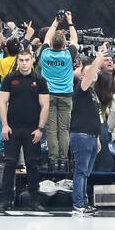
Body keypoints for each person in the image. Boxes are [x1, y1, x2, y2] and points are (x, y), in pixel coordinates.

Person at [0, 49, 50, 212]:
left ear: (32, 60)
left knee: (32, 165)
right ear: (17, 62)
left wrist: (40, 128)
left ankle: (34, 200)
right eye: (21, 60)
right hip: (12, 128)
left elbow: (45, 105)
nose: (24, 63)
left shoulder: (40, 80)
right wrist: (4, 125)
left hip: (33, 130)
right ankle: (6, 200)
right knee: (9, 163)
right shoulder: (9, 79)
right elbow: (2, 102)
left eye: (27, 60)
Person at [70, 46, 110, 215]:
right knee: (81, 171)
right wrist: (98, 59)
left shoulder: (93, 92)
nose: (95, 72)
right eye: (91, 70)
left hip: (92, 136)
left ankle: (84, 202)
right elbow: (87, 76)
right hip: (81, 135)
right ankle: (78, 203)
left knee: (86, 172)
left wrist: (98, 138)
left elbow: (95, 117)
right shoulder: (82, 88)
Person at [39, 15, 77, 169]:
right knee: (64, 129)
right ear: (64, 44)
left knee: (51, 130)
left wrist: (55, 21)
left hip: (49, 96)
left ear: (51, 44)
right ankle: (64, 160)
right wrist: (69, 22)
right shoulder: (69, 55)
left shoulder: (45, 53)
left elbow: (47, 38)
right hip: (66, 96)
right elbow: (75, 39)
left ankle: (53, 160)